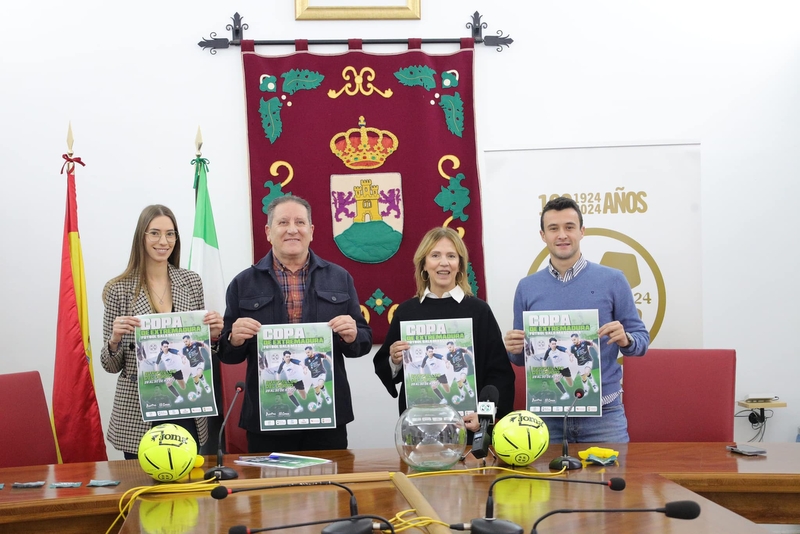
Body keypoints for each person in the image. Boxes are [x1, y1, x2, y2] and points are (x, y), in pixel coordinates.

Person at [217, 196, 371, 452]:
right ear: (268, 232)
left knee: (330, 488)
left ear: (311, 231)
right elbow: (226, 353)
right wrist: (234, 339)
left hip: (326, 416)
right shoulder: (243, 283)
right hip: (267, 417)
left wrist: (353, 335)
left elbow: (362, 343)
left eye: (300, 222)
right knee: (271, 490)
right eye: (283, 222)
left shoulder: (339, 278)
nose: (292, 229)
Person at [504, 196, 649, 443]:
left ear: (582, 231)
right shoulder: (527, 287)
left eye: (569, 227)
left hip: (604, 416)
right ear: (543, 235)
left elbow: (641, 341)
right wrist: (513, 350)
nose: (562, 235)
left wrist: (626, 340)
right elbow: (521, 359)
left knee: (614, 479)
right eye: (553, 228)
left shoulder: (613, 279)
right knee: (546, 484)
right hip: (547, 417)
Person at [100, 204, 224, 459]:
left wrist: (212, 335)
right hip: (139, 411)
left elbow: (202, 352)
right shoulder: (118, 289)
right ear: (141, 237)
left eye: (170, 234)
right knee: (143, 492)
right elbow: (110, 366)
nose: (163, 241)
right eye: (154, 233)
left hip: (186, 405)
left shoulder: (191, 281)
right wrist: (114, 341)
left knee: (189, 489)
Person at [373, 227, 516, 433]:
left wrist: (484, 415)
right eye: (435, 255)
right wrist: (394, 360)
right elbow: (385, 368)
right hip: (420, 428)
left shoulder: (478, 311)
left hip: (469, 428)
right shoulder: (407, 312)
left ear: (460, 265)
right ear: (423, 264)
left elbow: (499, 374)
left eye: (451, 256)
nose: (444, 263)